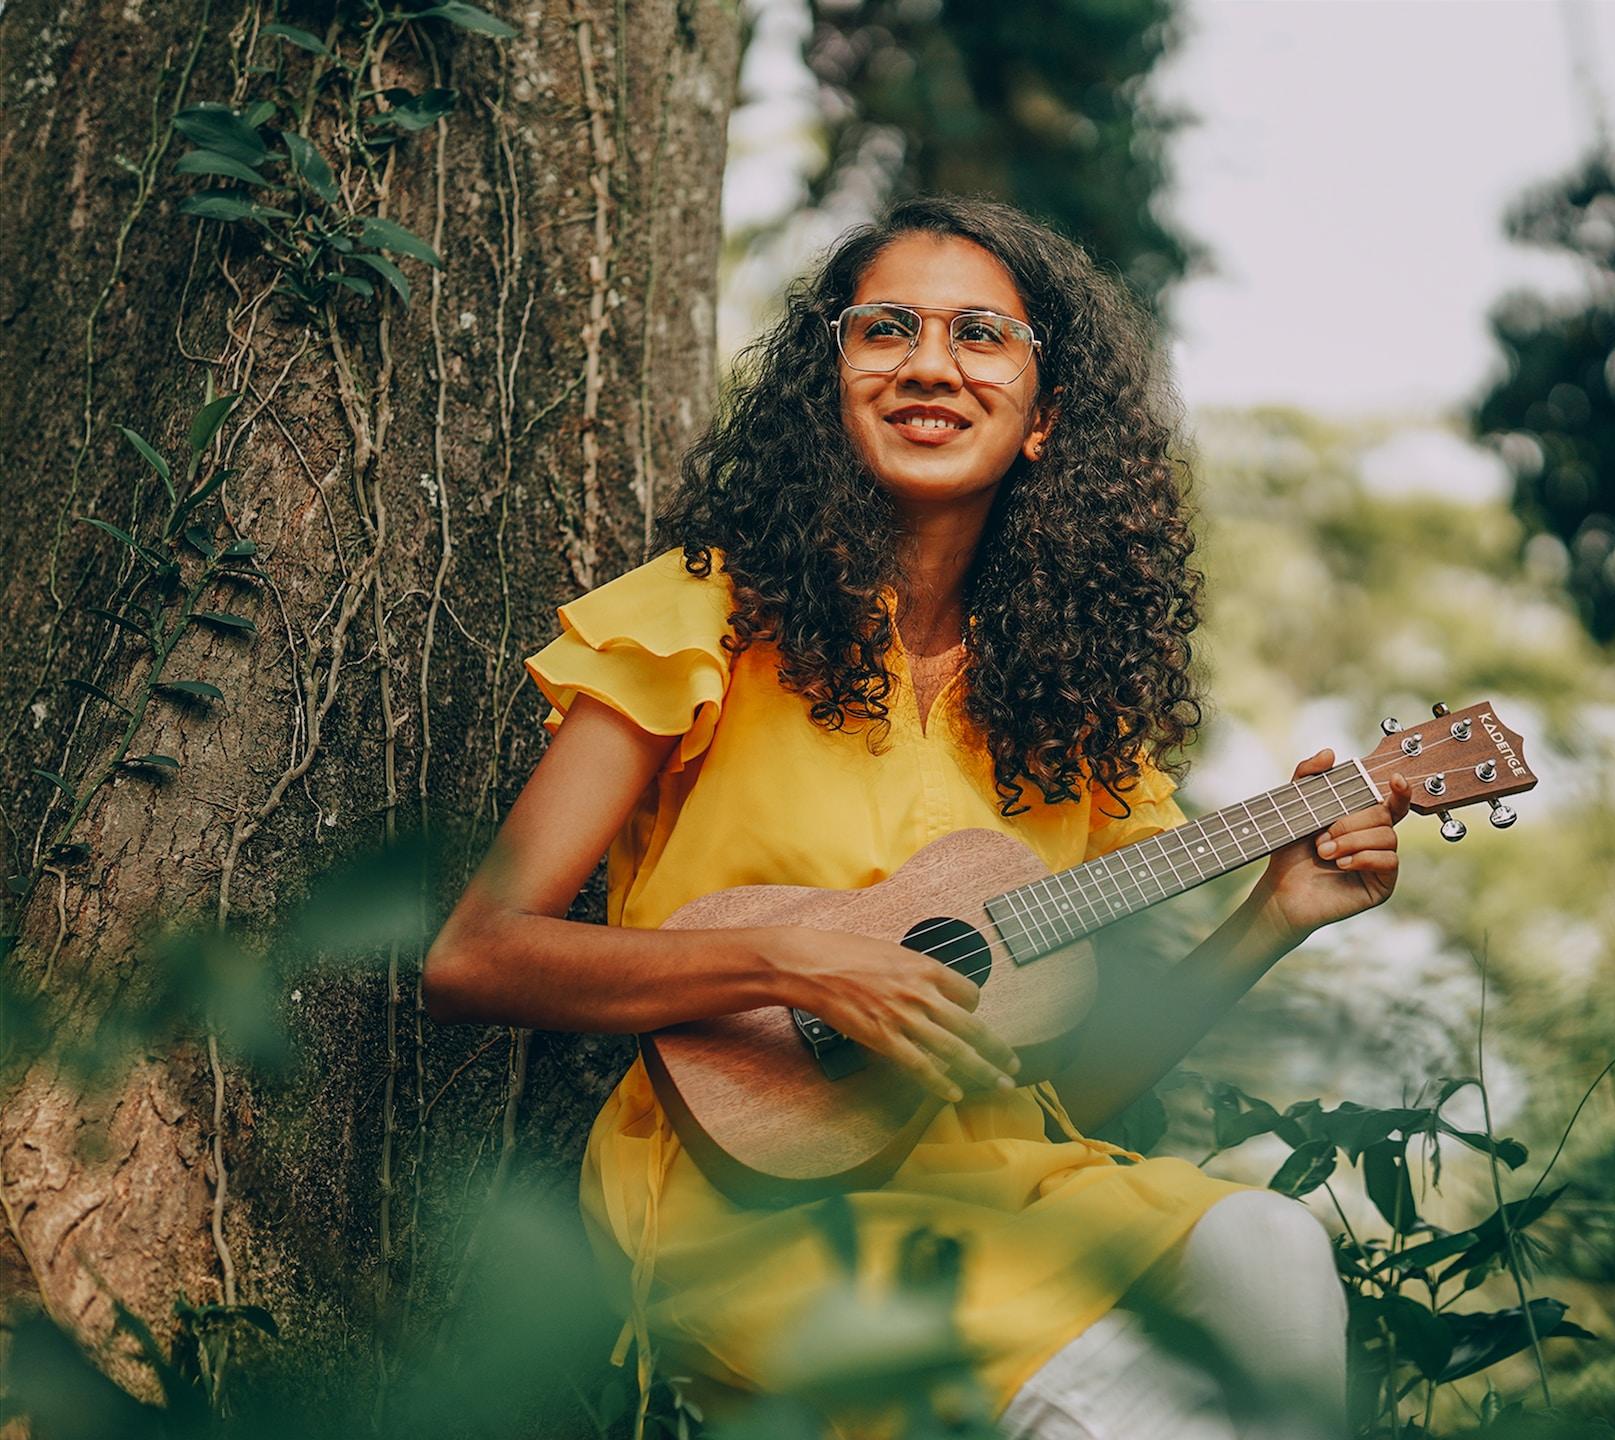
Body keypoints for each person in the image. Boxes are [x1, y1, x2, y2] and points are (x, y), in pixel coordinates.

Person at [423, 194, 1411, 1440]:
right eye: (885, 328)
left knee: (1266, 1247)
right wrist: (791, 960)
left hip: (1007, 1192)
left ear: (1046, 418)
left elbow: (1062, 1089)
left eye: (982, 337)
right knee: (1127, 1404)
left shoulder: (1069, 718)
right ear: (830, 386)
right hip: (755, 1213)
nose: (929, 363)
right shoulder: (700, 619)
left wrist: (1273, 917)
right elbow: (474, 954)